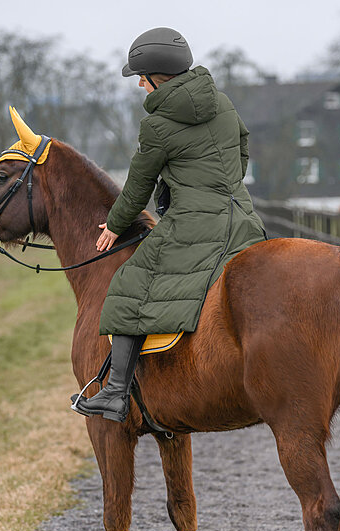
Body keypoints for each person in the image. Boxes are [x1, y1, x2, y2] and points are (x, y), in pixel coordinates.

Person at [72, 27, 267, 422]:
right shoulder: (223, 103)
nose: (140, 84)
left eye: (141, 77)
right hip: (243, 218)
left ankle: (114, 393)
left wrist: (113, 225)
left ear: (158, 76)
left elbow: (137, 189)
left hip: (195, 226)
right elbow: (243, 148)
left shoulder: (157, 126)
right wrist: (221, 184)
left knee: (129, 285)